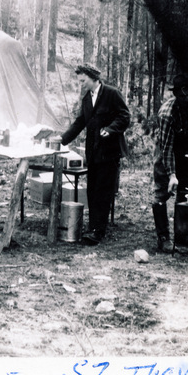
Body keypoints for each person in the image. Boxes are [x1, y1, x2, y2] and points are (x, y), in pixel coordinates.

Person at [60, 64, 130, 246]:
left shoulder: (112, 94)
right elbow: (79, 123)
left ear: (93, 78)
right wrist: (61, 140)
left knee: (103, 191)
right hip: (93, 153)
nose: (81, 84)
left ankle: (98, 231)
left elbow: (125, 116)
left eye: (83, 80)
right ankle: (93, 227)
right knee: (92, 190)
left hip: (109, 152)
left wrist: (110, 129)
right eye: (79, 81)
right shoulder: (86, 99)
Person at [152, 73, 188, 252]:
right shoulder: (167, 114)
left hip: (186, 153)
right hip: (166, 154)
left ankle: (182, 235)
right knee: (161, 195)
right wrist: (172, 175)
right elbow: (166, 148)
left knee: (186, 193)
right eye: (184, 96)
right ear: (177, 95)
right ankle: (163, 238)